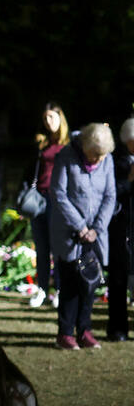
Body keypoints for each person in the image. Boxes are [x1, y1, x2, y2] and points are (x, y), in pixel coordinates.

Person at [50, 123, 116, 350]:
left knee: (90, 283)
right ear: (84, 145)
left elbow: (110, 195)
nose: (98, 159)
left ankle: (84, 330)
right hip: (69, 232)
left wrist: (96, 228)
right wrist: (80, 227)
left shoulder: (107, 160)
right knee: (69, 283)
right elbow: (58, 193)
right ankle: (65, 333)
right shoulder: (66, 156)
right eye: (95, 154)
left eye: (102, 155)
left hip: (95, 234)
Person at [28, 103, 69, 308]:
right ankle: (42, 289)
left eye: (51, 117)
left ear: (60, 119)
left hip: (58, 200)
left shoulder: (69, 144)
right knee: (41, 247)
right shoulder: (41, 143)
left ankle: (60, 289)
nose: (48, 122)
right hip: (40, 198)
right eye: (45, 118)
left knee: (58, 248)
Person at [106, 119, 134, 342]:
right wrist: (129, 180)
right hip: (120, 228)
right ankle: (117, 328)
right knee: (117, 280)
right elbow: (110, 193)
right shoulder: (115, 162)